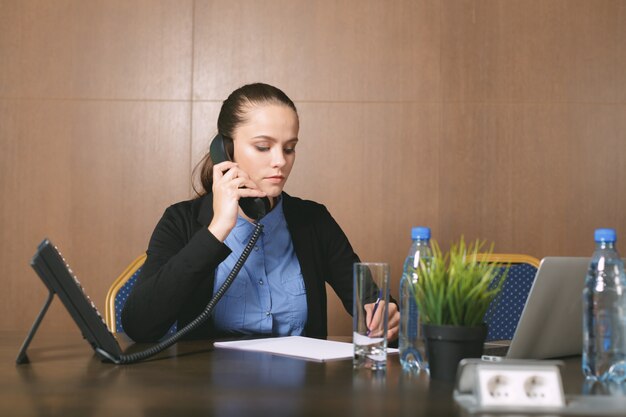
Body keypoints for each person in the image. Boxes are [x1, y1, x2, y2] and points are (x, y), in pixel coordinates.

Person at [121, 82, 400, 343]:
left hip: (302, 389)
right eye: (263, 147)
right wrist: (217, 229)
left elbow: (371, 302)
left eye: (289, 149)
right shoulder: (180, 221)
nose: (280, 161)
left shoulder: (314, 221)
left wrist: (385, 316)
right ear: (226, 149)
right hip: (206, 389)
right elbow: (139, 325)